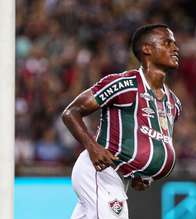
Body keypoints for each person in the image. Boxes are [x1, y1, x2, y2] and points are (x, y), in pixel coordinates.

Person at [62, 23, 182, 219]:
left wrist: (142, 173)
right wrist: (93, 147)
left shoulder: (173, 103)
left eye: (175, 44)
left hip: (122, 178)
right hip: (100, 172)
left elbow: (151, 142)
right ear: (147, 49)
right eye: (167, 43)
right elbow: (71, 112)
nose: (175, 48)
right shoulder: (124, 85)